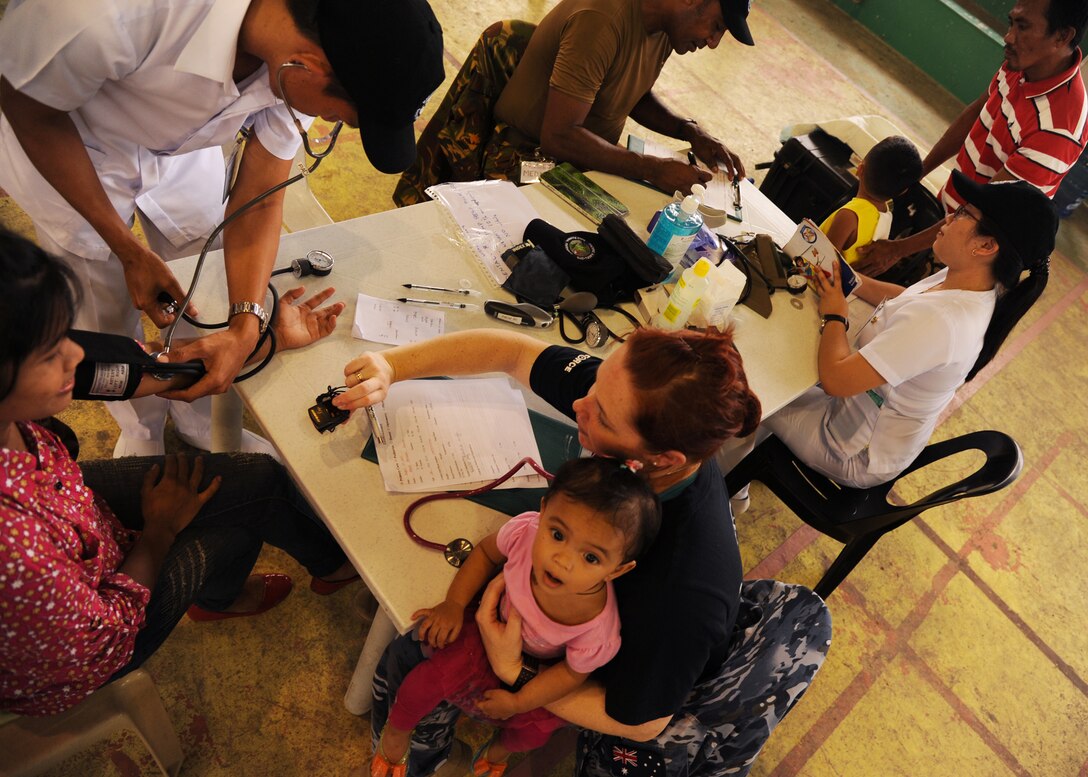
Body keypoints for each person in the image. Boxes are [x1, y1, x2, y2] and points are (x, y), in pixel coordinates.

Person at [0, 0, 444, 456]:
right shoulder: (100, 15)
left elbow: (260, 200)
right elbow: (29, 106)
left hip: (180, 148)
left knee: (203, 285)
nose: (330, 124)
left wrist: (245, 325)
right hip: (69, 139)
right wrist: (129, 250)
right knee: (105, 307)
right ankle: (142, 431)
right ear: (307, 67)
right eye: (337, 118)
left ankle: (197, 419)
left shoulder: (311, 55)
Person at [336, 326, 784, 777]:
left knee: (414, 660)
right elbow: (509, 352)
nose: (578, 405)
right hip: (538, 628)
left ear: (663, 459)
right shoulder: (631, 398)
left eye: (603, 419)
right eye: (594, 384)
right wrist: (393, 366)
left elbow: (643, 723)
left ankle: (421, 758)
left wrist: (517, 674)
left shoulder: (683, 593)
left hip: (571, 666)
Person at [0, 229, 361, 716]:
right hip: (99, 635)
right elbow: (99, 638)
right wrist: (158, 533)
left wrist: (262, 342)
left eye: (64, 335)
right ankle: (222, 597)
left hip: (75, 515)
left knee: (257, 478)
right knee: (235, 523)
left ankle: (325, 565)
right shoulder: (17, 553)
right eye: (50, 355)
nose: (75, 356)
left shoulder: (19, 390)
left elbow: (128, 368)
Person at [721, 171, 1057, 496]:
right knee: (779, 359)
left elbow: (837, 380)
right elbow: (905, 296)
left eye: (963, 214)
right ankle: (745, 460)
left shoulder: (943, 322)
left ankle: (729, 498)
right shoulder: (968, 282)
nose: (947, 219)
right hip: (856, 409)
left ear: (985, 246)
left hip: (852, 450)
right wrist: (852, 280)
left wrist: (836, 310)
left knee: (742, 387)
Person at [372, 458, 661, 777]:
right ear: (543, 510)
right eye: (558, 533)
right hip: (485, 629)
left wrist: (521, 701)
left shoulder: (599, 629)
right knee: (426, 679)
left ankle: (497, 751)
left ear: (618, 570)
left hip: (536, 670)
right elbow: (484, 553)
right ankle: (397, 732)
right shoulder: (526, 531)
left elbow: (570, 674)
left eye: (591, 557)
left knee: (534, 732)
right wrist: (454, 604)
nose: (562, 560)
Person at [394, 0, 754, 206]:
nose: (713, 43)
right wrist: (652, 169)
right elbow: (560, 136)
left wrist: (689, 131)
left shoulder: (662, 27)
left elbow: (631, 90)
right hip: (523, 156)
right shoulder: (602, 20)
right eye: (717, 26)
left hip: (576, 158)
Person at [855, 0, 1087, 275]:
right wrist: (916, 174)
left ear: (1062, 36)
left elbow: (985, 210)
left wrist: (900, 249)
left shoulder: (1058, 131)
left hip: (972, 249)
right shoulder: (1022, 65)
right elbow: (976, 112)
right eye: (1012, 22)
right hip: (954, 214)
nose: (1009, 36)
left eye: (1023, 27)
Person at [820, 136, 922, 265]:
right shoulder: (886, 213)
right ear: (903, 191)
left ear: (860, 169)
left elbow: (822, 260)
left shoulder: (849, 216)